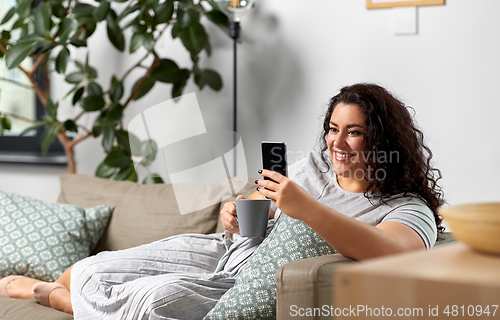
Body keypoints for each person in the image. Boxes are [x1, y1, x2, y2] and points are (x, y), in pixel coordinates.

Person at [0, 83, 444, 319]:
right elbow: (255, 203)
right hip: (222, 250)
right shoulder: (311, 167)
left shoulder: (404, 207)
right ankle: (72, 295)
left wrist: (304, 208)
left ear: (382, 138)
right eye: (332, 128)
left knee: (157, 300)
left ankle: (55, 298)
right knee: (91, 268)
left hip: (248, 281)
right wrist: (236, 211)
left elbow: (395, 253)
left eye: (354, 131)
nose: (337, 142)